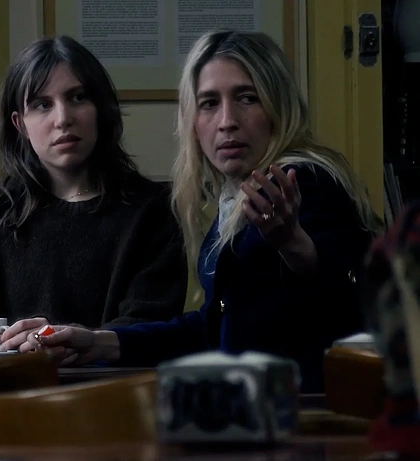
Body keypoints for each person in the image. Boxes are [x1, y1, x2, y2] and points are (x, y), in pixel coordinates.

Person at [22, 31, 383, 392]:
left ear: (278, 107)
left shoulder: (300, 181)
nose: (227, 120)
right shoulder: (236, 196)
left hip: (305, 413)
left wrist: (296, 248)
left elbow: (346, 301)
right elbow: (213, 328)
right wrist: (101, 342)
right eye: (209, 103)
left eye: (247, 98)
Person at [0, 36, 188, 353]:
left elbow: (150, 329)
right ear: (20, 124)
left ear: (100, 109)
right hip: (9, 385)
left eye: (78, 98)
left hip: (118, 384)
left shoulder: (154, 212)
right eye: (42, 105)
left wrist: (70, 339)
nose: (63, 118)